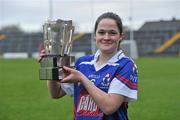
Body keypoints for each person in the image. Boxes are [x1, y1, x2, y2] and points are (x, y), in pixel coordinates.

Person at [39, 12, 138, 120]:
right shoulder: (83, 63)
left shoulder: (126, 65)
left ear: (120, 37)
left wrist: (82, 78)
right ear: (95, 36)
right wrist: (51, 64)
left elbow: (109, 107)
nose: (106, 37)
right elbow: (56, 93)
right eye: (101, 32)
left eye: (112, 33)